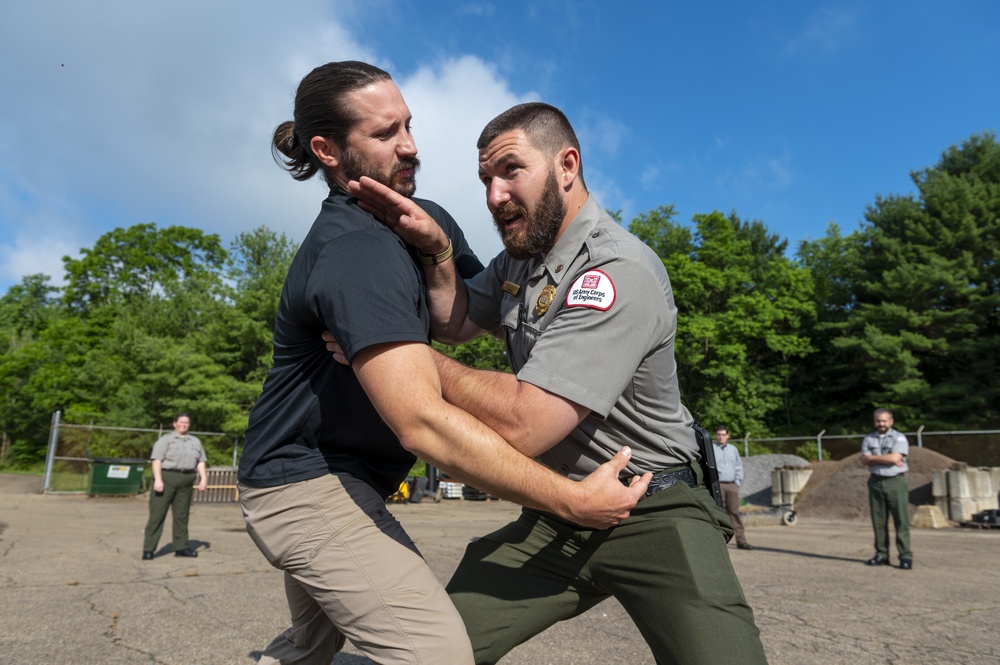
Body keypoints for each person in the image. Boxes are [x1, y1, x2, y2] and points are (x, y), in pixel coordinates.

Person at [237, 62, 649, 665]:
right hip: (304, 482)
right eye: (385, 134)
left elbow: (473, 316)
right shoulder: (356, 251)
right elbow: (421, 423)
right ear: (327, 150)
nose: (410, 146)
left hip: (353, 480)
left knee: (306, 651)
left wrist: (439, 251)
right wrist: (567, 498)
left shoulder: (422, 219)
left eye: (408, 125)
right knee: (435, 654)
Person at [347, 102, 767, 665]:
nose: (494, 195)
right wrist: (439, 251)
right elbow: (458, 319)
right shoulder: (523, 260)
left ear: (567, 165)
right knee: (428, 654)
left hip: (652, 510)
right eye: (485, 179)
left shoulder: (617, 271)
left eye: (511, 170)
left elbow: (527, 424)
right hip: (558, 510)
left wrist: (399, 357)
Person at [142, 413, 207, 559]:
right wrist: (158, 480)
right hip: (167, 479)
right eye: (181, 422)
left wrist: (203, 479)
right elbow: (156, 460)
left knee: (181, 516)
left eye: (187, 423)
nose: (184, 425)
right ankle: (149, 549)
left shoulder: (195, 442)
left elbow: (201, 461)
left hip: (186, 480)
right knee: (157, 515)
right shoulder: (166, 440)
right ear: (175, 423)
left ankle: (181, 547)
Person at [860, 408, 912, 569]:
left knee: (900, 520)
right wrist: (887, 459)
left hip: (895, 482)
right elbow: (863, 460)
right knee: (878, 521)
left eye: (884, 421)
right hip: (875, 482)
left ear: (891, 421)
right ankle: (881, 554)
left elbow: (896, 457)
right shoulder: (869, 438)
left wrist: (874, 458)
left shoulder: (899, 438)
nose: (881, 424)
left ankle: (905, 556)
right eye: (878, 421)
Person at [715, 425, 753, 550]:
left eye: (723, 434)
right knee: (718, 513)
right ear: (716, 435)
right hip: (718, 485)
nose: (721, 437)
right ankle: (718, 542)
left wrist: (737, 482)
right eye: (719, 434)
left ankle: (741, 541)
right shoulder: (711, 449)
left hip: (732, 485)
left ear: (728, 436)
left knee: (734, 513)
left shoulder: (733, 449)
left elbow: (738, 466)